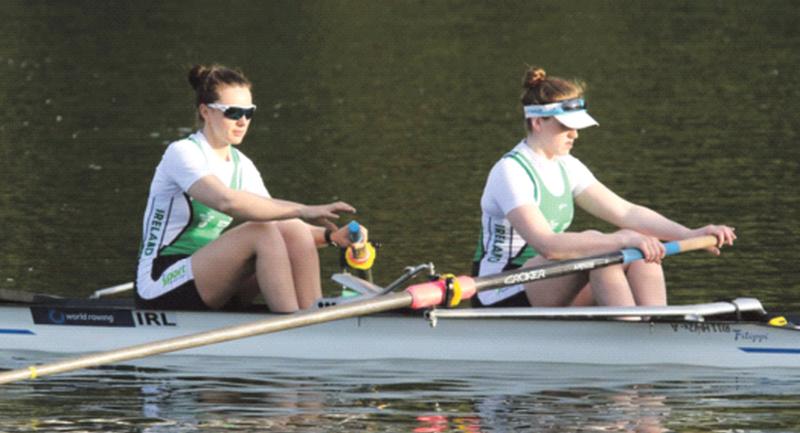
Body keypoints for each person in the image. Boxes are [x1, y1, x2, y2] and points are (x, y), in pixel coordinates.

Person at [472, 66, 736, 308]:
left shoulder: (567, 165)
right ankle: (631, 335)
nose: (575, 134)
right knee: (605, 250)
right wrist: (621, 238)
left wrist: (689, 234)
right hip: (500, 290)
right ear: (537, 122)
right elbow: (549, 245)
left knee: (640, 254)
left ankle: (656, 327)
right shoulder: (511, 171)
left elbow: (627, 213)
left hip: (549, 282)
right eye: (566, 127)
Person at [135, 64, 365, 313]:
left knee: (290, 229)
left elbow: (281, 219)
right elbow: (227, 202)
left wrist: (332, 236)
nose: (242, 121)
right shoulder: (182, 153)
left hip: (207, 276)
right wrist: (302, 209)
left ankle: (316, 316)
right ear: (205, 112)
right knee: (262, 232)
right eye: (232, 112)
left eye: (248, 113)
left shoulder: (242, 165)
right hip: (161, 282)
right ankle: (293, 325)